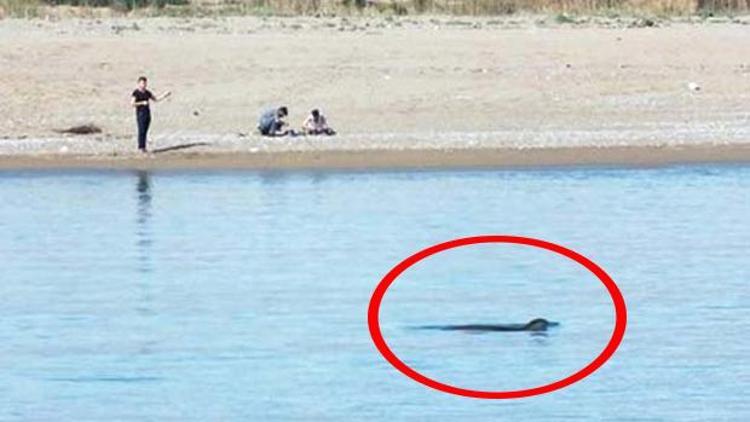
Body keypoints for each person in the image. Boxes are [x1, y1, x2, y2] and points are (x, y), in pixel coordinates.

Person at [131, 76, 171, 153]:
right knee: (141, 130)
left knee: (145, 130)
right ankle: (140, 147)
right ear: (138, 83)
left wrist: (165, 95)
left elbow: (156, 99)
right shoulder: (136, 92)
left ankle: (143, 147)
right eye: (142, 83)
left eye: (145, 83)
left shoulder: (147, 92)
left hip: (147, 113)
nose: (144, 85)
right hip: (140, 113)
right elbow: (132, 104)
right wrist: (142, 103)